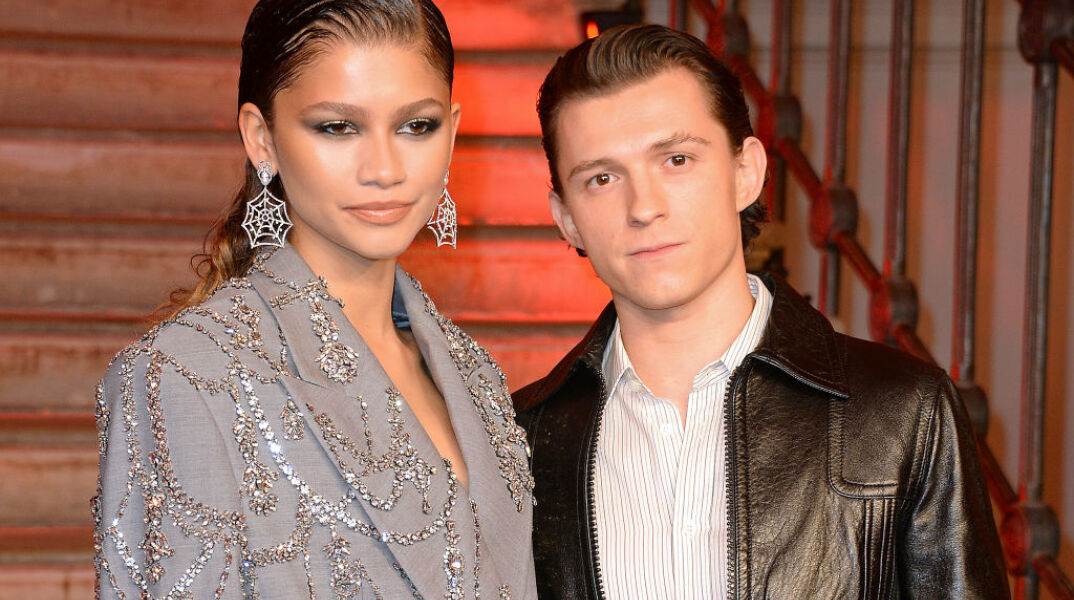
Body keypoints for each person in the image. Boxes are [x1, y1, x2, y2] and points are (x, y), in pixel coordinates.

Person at [513, 24, 1008, 599]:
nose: (644, 207)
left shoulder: (903, 413)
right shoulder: (521, 439)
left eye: (676, 159)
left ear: (745, 171)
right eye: (601, 178)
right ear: (567, 217)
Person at [93, 1, 536, 598]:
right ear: (262, 138)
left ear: (453, 132)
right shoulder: (187, 373)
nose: (385, 168)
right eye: (337, 127)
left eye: (417, 126)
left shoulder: (474, 372)